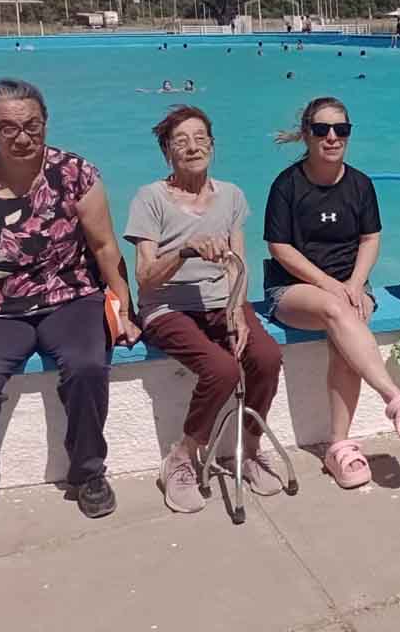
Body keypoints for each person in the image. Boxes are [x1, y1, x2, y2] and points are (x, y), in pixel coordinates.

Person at [0, 79, 139, 537]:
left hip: (72, 298)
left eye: (32, 125)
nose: (22, 137)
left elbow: (105, 246)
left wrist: (124, 308)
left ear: (45, 124)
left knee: (87, 366)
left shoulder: (75, 173)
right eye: (8, 128)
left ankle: (88, 473)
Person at [264, 97, 400, 489]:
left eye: (341, 130)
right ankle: (395, 399)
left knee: (345, 337)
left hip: (351, 286)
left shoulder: (359, 184)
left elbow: (370, 238)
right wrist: (330, 285)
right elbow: (280, 247)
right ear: (306, 134)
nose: (332, 137)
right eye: (321, 130)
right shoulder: (287, 186)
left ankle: (338, 446)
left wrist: (356, 283)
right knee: (336, 310)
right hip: (293, 289)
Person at [125, 106, 284, 513]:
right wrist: (184, 251)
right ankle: (182, 456)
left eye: (200, 139)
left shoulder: (231, 196)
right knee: (222, 369)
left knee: (266, 356)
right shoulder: (150, 198)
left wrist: (237, 310)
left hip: (220, 303)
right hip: (167, 307)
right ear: (167, 152)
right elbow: (145, 278)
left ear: (212, 145)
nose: (192, 147)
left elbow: (237, 263)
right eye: (181, 141)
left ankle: (249, 449)